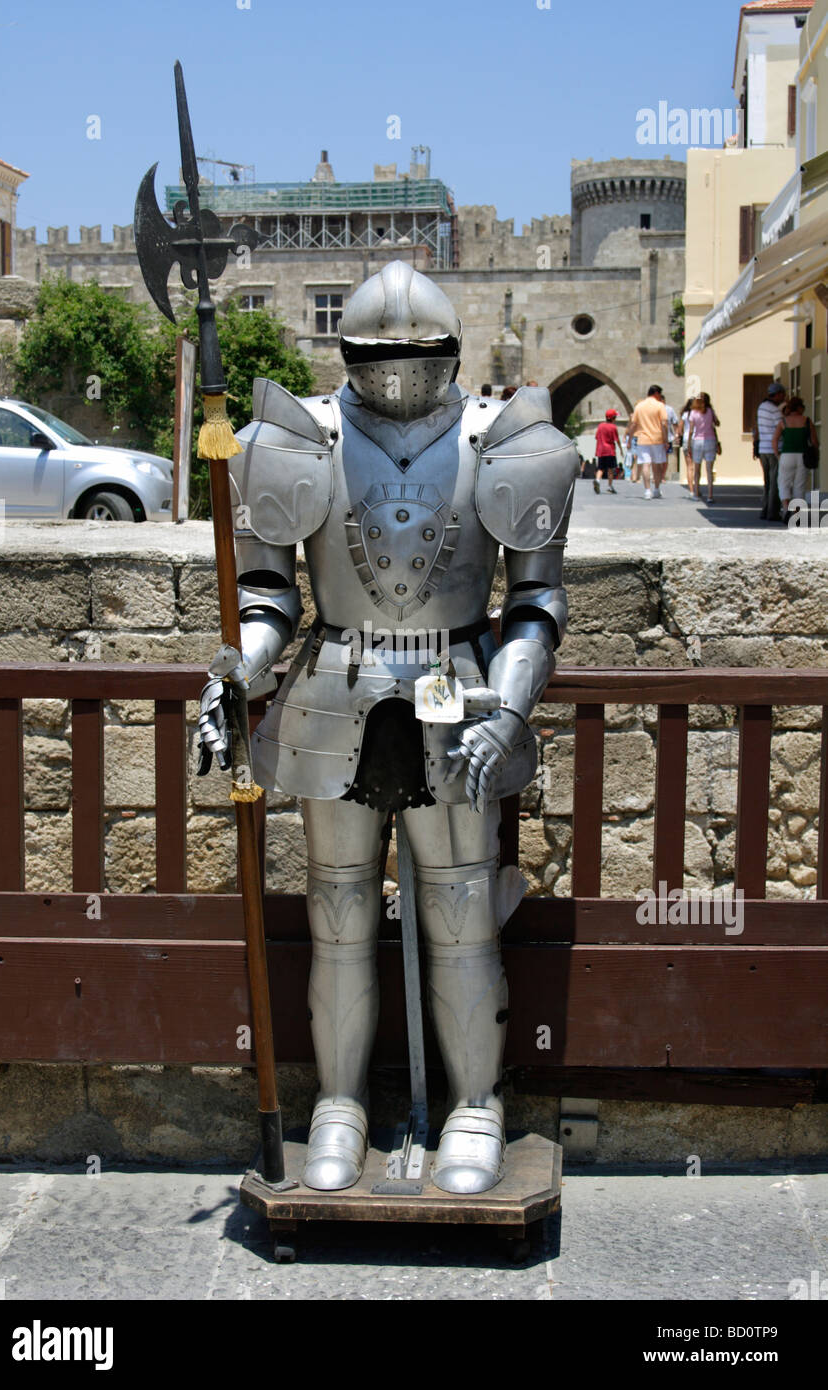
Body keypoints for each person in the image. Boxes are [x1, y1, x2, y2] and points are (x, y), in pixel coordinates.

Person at [197, 261, 579, 1195]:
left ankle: (475, 1107)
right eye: (382, 355)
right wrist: (242, 668)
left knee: (459, 916)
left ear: (452, 352)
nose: (400, 373)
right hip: (334, 687)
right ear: (349, 355)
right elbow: (267, 592)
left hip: (459, 693)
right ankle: (340, 1105)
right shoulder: (296, 439)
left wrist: (514, 702)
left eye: (418, 355)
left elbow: (534, 604)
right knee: (338, 915)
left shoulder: (508, 439)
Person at [772, 395, 818, 521]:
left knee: (783, 483)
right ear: (799, 408)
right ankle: (796, 514)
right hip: (802, 456)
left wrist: (778, 455)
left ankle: (786, 508)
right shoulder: (807, 421)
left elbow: (775, 440)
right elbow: (814, 441)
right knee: (799, 485)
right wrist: (815, 452)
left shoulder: (784, 422)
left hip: (787, 455)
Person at [624, 385, 668, 498]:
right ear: (656, 393)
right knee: (657, 465)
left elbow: (633, 424)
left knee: (645, 464)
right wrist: (665, 440)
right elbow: (664, 424)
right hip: (657, 439)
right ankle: (657, 489)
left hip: (643, 439)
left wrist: (629, 439)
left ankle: (647, 491)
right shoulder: (660, 406)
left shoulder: (639, 406)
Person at [754, 381, 785, 521]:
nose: (784, 397)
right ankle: (773, 512)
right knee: (775, 482)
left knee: (767, 482)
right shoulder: (774, 410)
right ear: (777, 395)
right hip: (774, 450)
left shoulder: (761, 407)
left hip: (763, 449)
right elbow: (781, 428)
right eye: (782, 394)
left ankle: (765, 510)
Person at [688, 392, 720, 504]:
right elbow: (717, 423)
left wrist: (688, 445)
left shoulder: (693, 413)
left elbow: (691, 430)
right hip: (710, 440)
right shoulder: (710, 411)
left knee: (697, 470)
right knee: (709, 470)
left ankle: (696, 493)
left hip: (697, 441)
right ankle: (710, 495)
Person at [594, 408, 621, 494]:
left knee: (601, 468)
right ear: (613, 418)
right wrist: (620, 449)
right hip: (610, 451)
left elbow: (597, 437)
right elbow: (616, 439)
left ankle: (597, 480)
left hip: (601, 450)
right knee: (610, 469)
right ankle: (610, 486)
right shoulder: (613, 427)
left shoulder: (600, 426)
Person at [676, 398, 697, 497]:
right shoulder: (699, 414)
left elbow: (679, 430)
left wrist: (680, 435)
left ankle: (691, 490)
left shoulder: (685, 415)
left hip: (686, 440)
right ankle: (697, 489)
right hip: (697, 440)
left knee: (689, 466)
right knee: (697, 466)